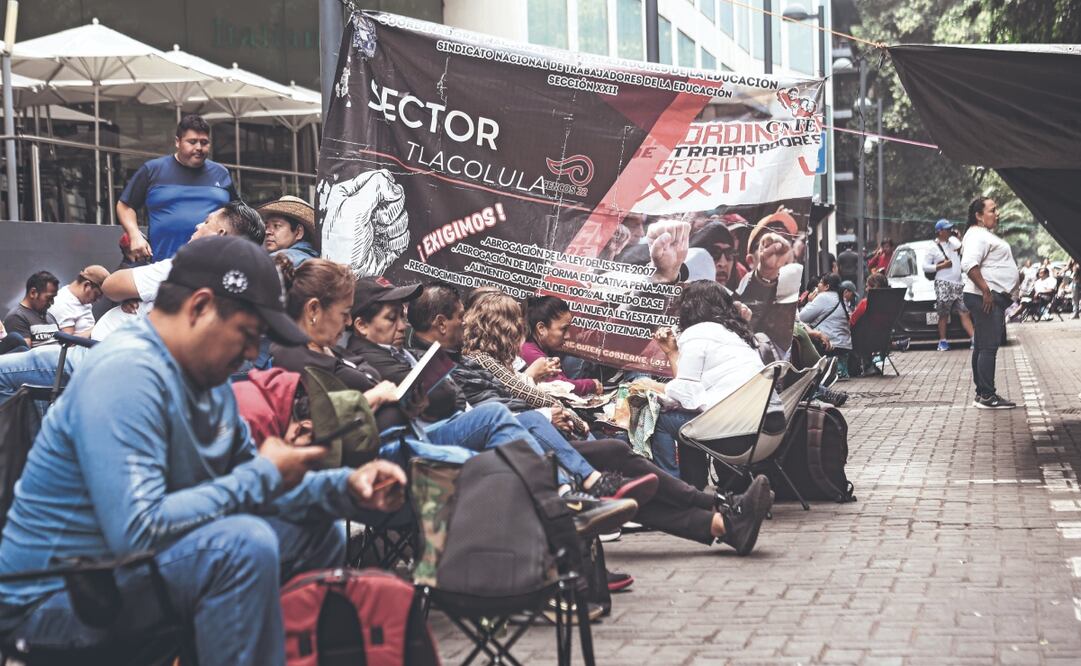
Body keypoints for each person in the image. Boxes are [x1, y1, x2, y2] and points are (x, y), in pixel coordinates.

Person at [0, 236, 408, 665]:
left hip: (122, 576)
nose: (253, 353)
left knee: (312, 526)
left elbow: (254, 482)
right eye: (247, 335)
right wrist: (265, 474)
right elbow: (139, 529)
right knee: (240, 545)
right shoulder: (128, 372)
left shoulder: (207, 381)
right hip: (53, 596)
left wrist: (348, 487)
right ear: (198, 308)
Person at [455, 289, 772, 556]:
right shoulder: (478, 362)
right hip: (520, 450)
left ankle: (724, 521)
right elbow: (517, 402)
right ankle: (722, 509)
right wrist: (553, 414)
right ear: (500, 328)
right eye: (514, 326)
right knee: (618, 463)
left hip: (535, 442)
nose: (520, 334)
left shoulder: (493, 362)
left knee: (618, 467)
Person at [0, 202, 266, 407]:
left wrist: (131, 291)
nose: (198, 225)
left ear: (219, 233)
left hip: (100, 356)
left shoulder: (185, 267)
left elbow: (112, 285)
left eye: (206, 221)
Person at [412, 283, 658, 501]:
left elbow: (507, 396)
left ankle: (579, 491)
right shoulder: (465, 359)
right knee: (605, 445)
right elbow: (506, 398)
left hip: (504, 425)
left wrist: (553, 412)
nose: (465, 322)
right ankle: (578, 492)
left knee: (603, 443)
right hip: (455, 434)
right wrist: (553, 412)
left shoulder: (457, 359)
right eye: (460, 316)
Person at [643, 281, 784, 489]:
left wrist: (650, 384)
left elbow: (684, 395)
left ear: (689, 307)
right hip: (769, 430)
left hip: (736, 434)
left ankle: (673, 490)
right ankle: (692, 486)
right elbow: (688, 392)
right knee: (693, 419)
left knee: (658, 419)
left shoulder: (696, 334)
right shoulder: (737, 333)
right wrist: (672, 352)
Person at [117, 114, 237, 261]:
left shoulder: (221, 173)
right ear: (177, 142)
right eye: (192, 142)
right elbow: (124, 206)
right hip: (164, 264)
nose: (199, 147)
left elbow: (237, 214)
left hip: (213, 264)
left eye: (204, 142)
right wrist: (134, 235)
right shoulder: (153, 170)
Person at [960, 196, 1019, 409]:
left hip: (986, 296)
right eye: (992, 210)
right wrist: (986, 290)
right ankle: (987, 395)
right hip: (985, 297)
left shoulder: (981, 234)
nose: (997, 214)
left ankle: (982, 393)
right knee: (988, 347)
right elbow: (969, 263)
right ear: (978, 215)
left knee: (982, 345)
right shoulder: (977, 235)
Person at [520, 295, 604, 397]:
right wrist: (591, 384)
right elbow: (561, 387)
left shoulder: (542, 349)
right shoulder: (528, 351)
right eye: (564, 329)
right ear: (541, 328)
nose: (568, 336)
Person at [922, 219, 975, 350]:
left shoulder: (953, 242)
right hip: (943, 283)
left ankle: (974, 339)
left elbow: (961, 248)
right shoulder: (932, 247)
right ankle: (943, 341)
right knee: (944, 313)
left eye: (950, 228)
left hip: (958, 283)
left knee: (964, 311)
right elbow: (925, 266)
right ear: (939, 232)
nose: (949, 231)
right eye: (947, 229)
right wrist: (941, 266)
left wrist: (956, 236)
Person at [798, 273, 852, 374]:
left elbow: (801, 318)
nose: (818, 285)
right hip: (844, 347)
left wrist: (810, 301)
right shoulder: (841, 298)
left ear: (827, 286)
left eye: (821, 282)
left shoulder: (823, 297)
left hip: (829, 345)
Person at [47, 265, 110, 337]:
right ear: (87, 285)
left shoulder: (83, 299)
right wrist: (99, 328)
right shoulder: (63, 304)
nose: (98, 300)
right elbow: (68, 342)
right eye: (97, 294)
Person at [2, 271, 60, 348]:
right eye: (49, 298)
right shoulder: (16, 317)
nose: (52, 302)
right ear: (33, 293)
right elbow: (25, 355)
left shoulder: (49, 316)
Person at [259, 195, 320, 268]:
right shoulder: (313, 258)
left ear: (298, 232)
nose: (267, 232)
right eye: (266, 226)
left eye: (276, 226)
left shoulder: (279, 259)